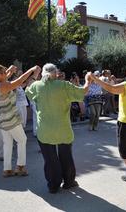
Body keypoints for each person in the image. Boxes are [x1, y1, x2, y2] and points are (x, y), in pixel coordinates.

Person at [26, 63, 91, 193]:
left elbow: (28, 91)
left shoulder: (36, 86)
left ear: (43, 73)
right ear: (56, 73)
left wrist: (34, 75)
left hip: (45, 130)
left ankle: (54, 185)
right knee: (66, 156)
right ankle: (69, 182)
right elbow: (83, 92)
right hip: (63, 129)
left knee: (50, 159)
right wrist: (88, 80)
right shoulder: (64, 85)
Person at [0, 64, 41, 178]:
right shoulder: (4, 86)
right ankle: (20, 167)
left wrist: (9, 71)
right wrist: (31, 70)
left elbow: (3, 79)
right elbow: (19, 81)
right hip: (10, 119)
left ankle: (7, 169)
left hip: (2, 120)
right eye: (3, 72)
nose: (6, 73)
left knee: (7, 143)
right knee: (22, 140)